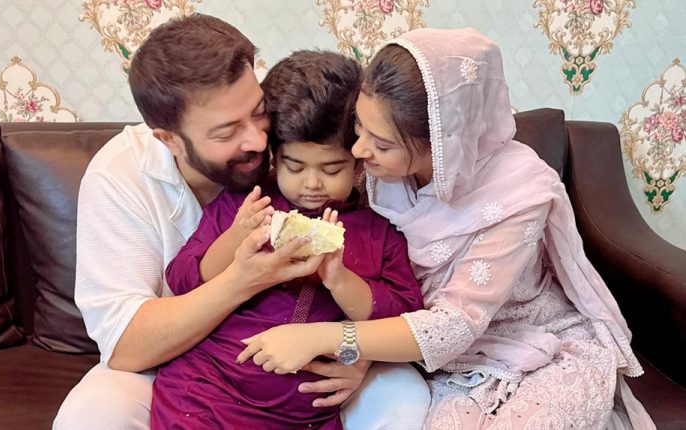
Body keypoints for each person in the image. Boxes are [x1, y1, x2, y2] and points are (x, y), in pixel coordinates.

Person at [238, 28, 656, 429]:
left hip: (537, 343)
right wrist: (360, 354)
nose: (359, 150)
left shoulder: (519, 194)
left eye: (382, 143)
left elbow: (455, 325)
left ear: (442, 143)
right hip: (429, 352)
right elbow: (373, 280)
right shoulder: (376, 174)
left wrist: (328, 338)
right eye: (359, 128)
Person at [53, 14, 431, 430]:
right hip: (190, 370)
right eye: (227, 132)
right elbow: (127, 346)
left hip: (312, 374)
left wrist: (356, 347)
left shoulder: (331, 155)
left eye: (258, 112)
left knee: (405, 396)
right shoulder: (121, 177)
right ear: (170, 139)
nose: (258, 140)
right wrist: (243, 277)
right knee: (89, 415)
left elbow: (405, 308)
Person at [150, 50, 424, 429]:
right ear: (275, 158)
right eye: (294, 167)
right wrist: (235, 240)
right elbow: (181, 280)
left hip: (303, 414)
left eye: (332, 169)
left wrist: (340, 280)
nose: (312, 184)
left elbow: (402, 318)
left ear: (358, 163)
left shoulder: (378, 230)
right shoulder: (247, 204)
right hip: (206, 391)